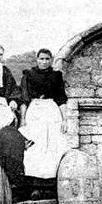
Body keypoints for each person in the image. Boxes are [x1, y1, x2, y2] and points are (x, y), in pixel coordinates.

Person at [19, 48, 69, 179]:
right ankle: (33, 179)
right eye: (41, 59)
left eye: (47, 59)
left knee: (53, 143)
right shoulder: (28, 75)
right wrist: (23, 119)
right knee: (36, 142)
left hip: (52, 110)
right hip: (35, 110)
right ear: (37, 60)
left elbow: (61, 99)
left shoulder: (56, 76)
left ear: (51, 60)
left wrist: (65, 120)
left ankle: (51, 178)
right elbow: (24, 99)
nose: (44, 62)